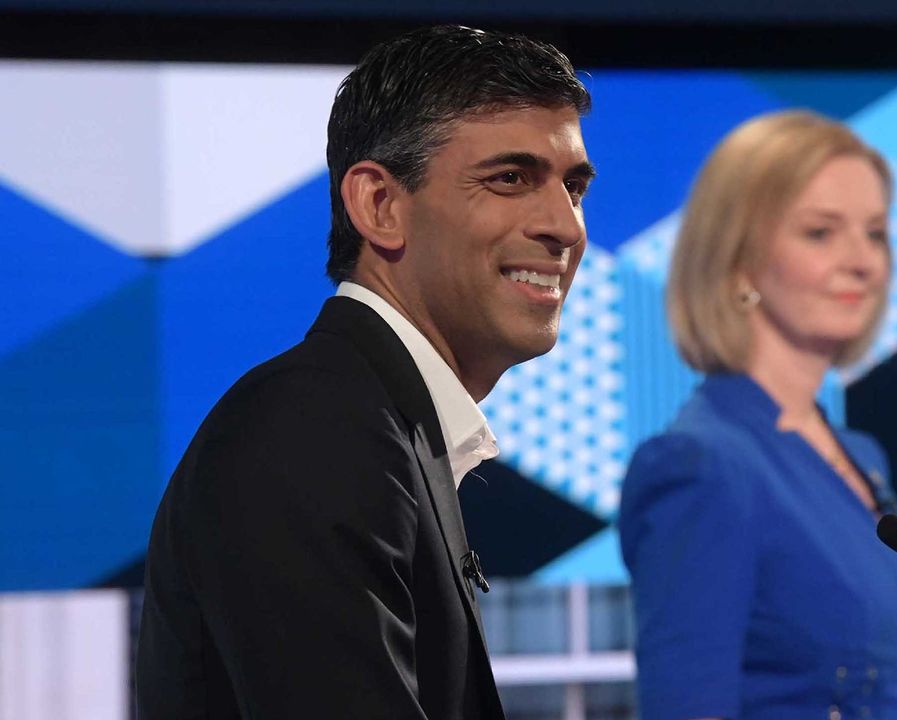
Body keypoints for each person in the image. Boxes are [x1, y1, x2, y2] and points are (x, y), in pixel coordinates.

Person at [136, 25, 594, 720]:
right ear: (379, 205)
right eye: (510, 179)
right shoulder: (312, 433)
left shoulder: (368, 420)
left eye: (575, 188)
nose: (564, 226)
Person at [618, 110, 897, 720]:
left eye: (876, 233)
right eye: (821, 232)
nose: (863, 261)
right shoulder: (700, 466)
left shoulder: (861, 455)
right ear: (740, 257)